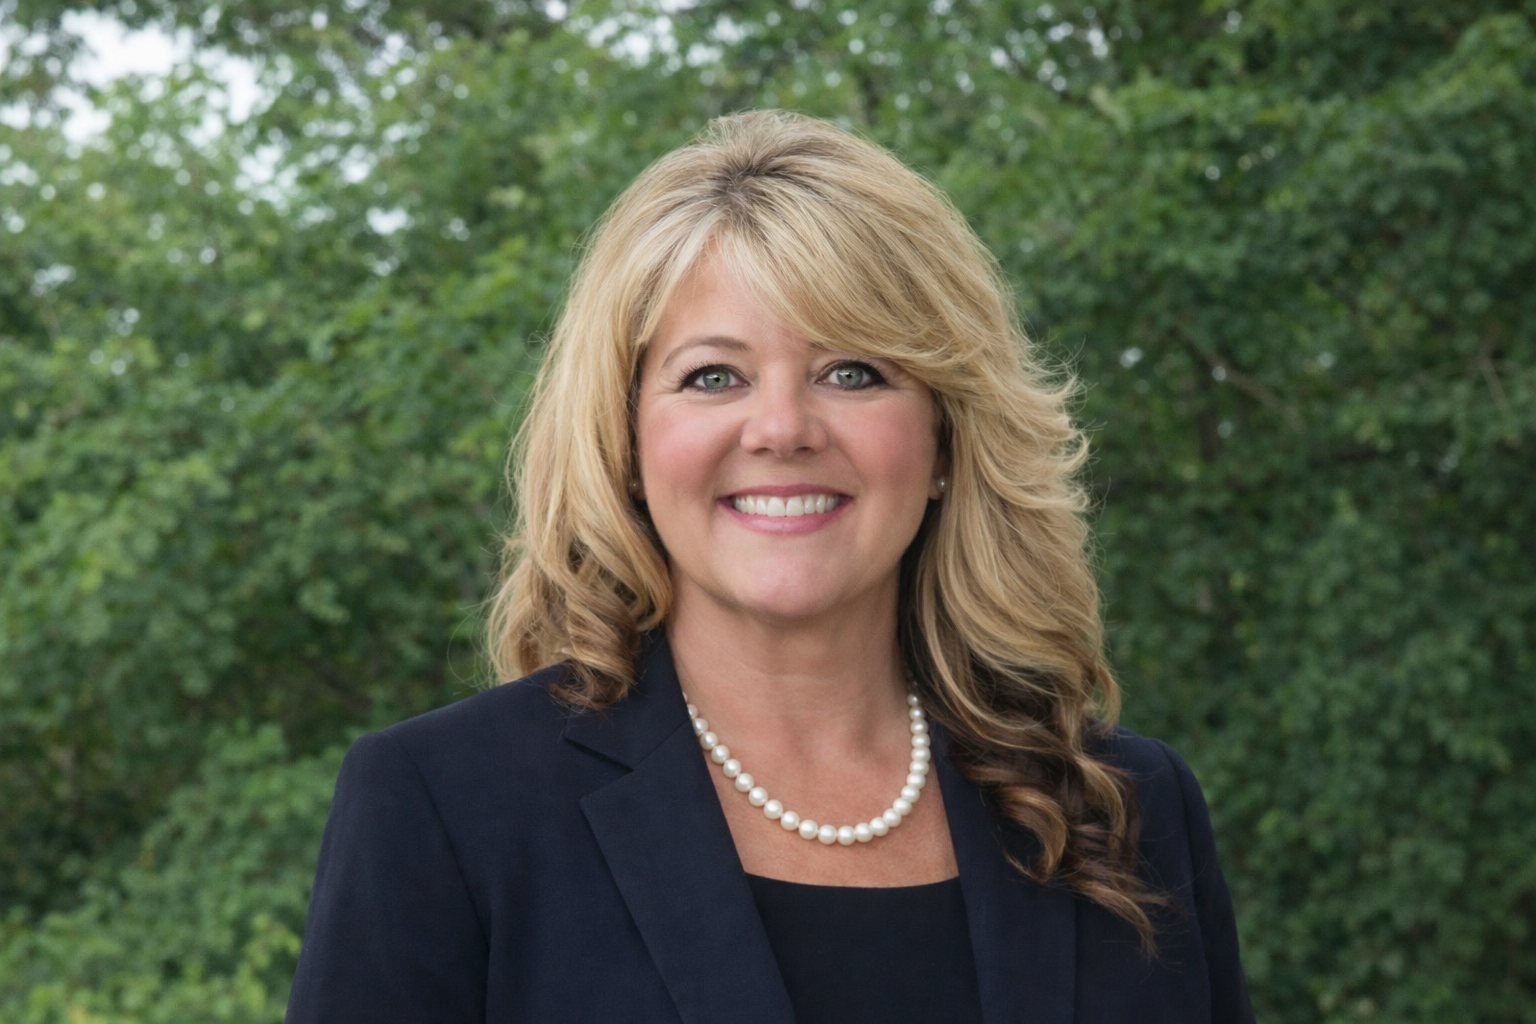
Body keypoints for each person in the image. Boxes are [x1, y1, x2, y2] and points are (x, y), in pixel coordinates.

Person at [286, 110, 1254, 1024]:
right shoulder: (443, 804)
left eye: (854, 371)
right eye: (714, 376)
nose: (783, 428)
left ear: (948, 437)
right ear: (624, 439)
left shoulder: (1127, 805)